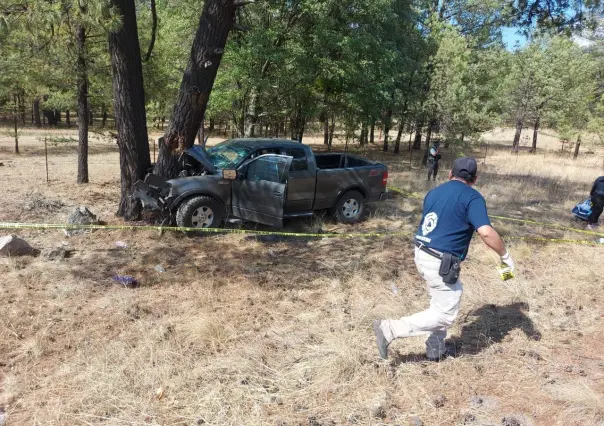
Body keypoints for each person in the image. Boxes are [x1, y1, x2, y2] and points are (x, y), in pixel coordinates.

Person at [373, 157, 515, 361]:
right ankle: (391, 329)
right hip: (440, 260)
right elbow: (485, 232)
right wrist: (505, 257)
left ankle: (435, 349)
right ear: (475, 179)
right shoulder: (473, 198)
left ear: (450, 174)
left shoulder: (434, 193)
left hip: (421, 253)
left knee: (440, 303)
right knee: (446, 313)